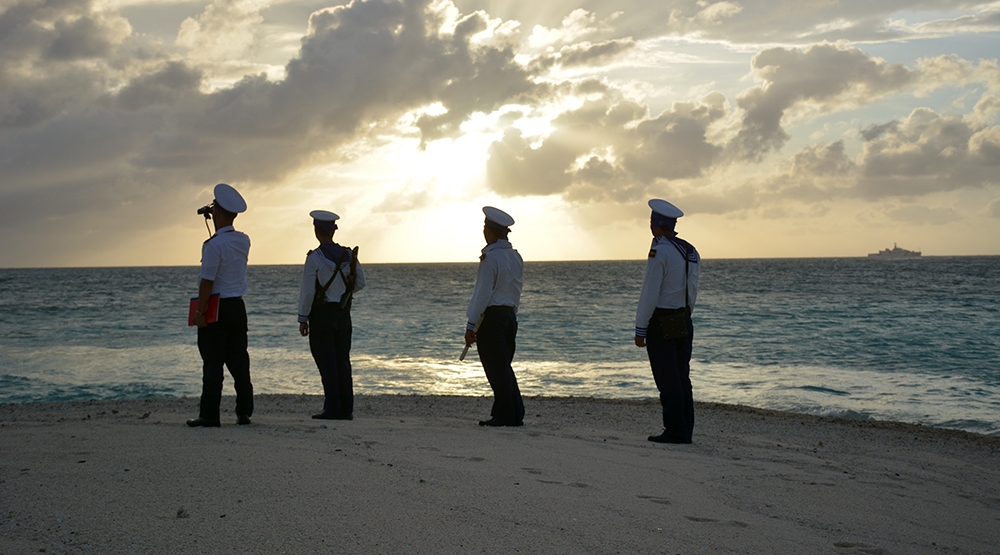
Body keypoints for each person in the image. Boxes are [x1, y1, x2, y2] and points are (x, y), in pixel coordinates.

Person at [634, 199, 700, 444]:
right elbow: (692, 289)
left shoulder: (659, 250)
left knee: (667, 378)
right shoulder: (690, 249)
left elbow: (650, 292)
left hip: (662, 322)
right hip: (683, 319)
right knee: (682, 376)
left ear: (656, 224)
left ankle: (674, 430)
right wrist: (686, 314)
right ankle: (686, 428)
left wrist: (641, 327)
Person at [188, 183, 254, 427]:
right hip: (237, 306)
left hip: (217, 307)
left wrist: (200, 313)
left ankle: (209, 414)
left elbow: (207, 283)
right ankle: (244, 411)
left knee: (213, 362)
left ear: (216, 212)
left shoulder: (213, 246)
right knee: (239, 361)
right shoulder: (243, 240)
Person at [297, 210, 366, 420]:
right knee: (342, 361)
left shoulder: (315, 257)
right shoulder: (348, 255)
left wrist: (302, 318)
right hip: (343, 313)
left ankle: (333, 407)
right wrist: (342, 293)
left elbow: (308, 291)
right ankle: (347, 408)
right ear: (333, 231)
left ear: (316, 231)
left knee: (326, 361)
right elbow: (360, 283)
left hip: (322, 314)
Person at [464, 206, 525, 427]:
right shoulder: (516, 256)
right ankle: (512, 412)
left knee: (496, 369)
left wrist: (472, 324)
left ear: (489, 231)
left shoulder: (490, 258)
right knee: (503, 367)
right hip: (510, 316)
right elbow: (516, 290)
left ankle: (507, 415)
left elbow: (482, 294)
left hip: (493, 318)